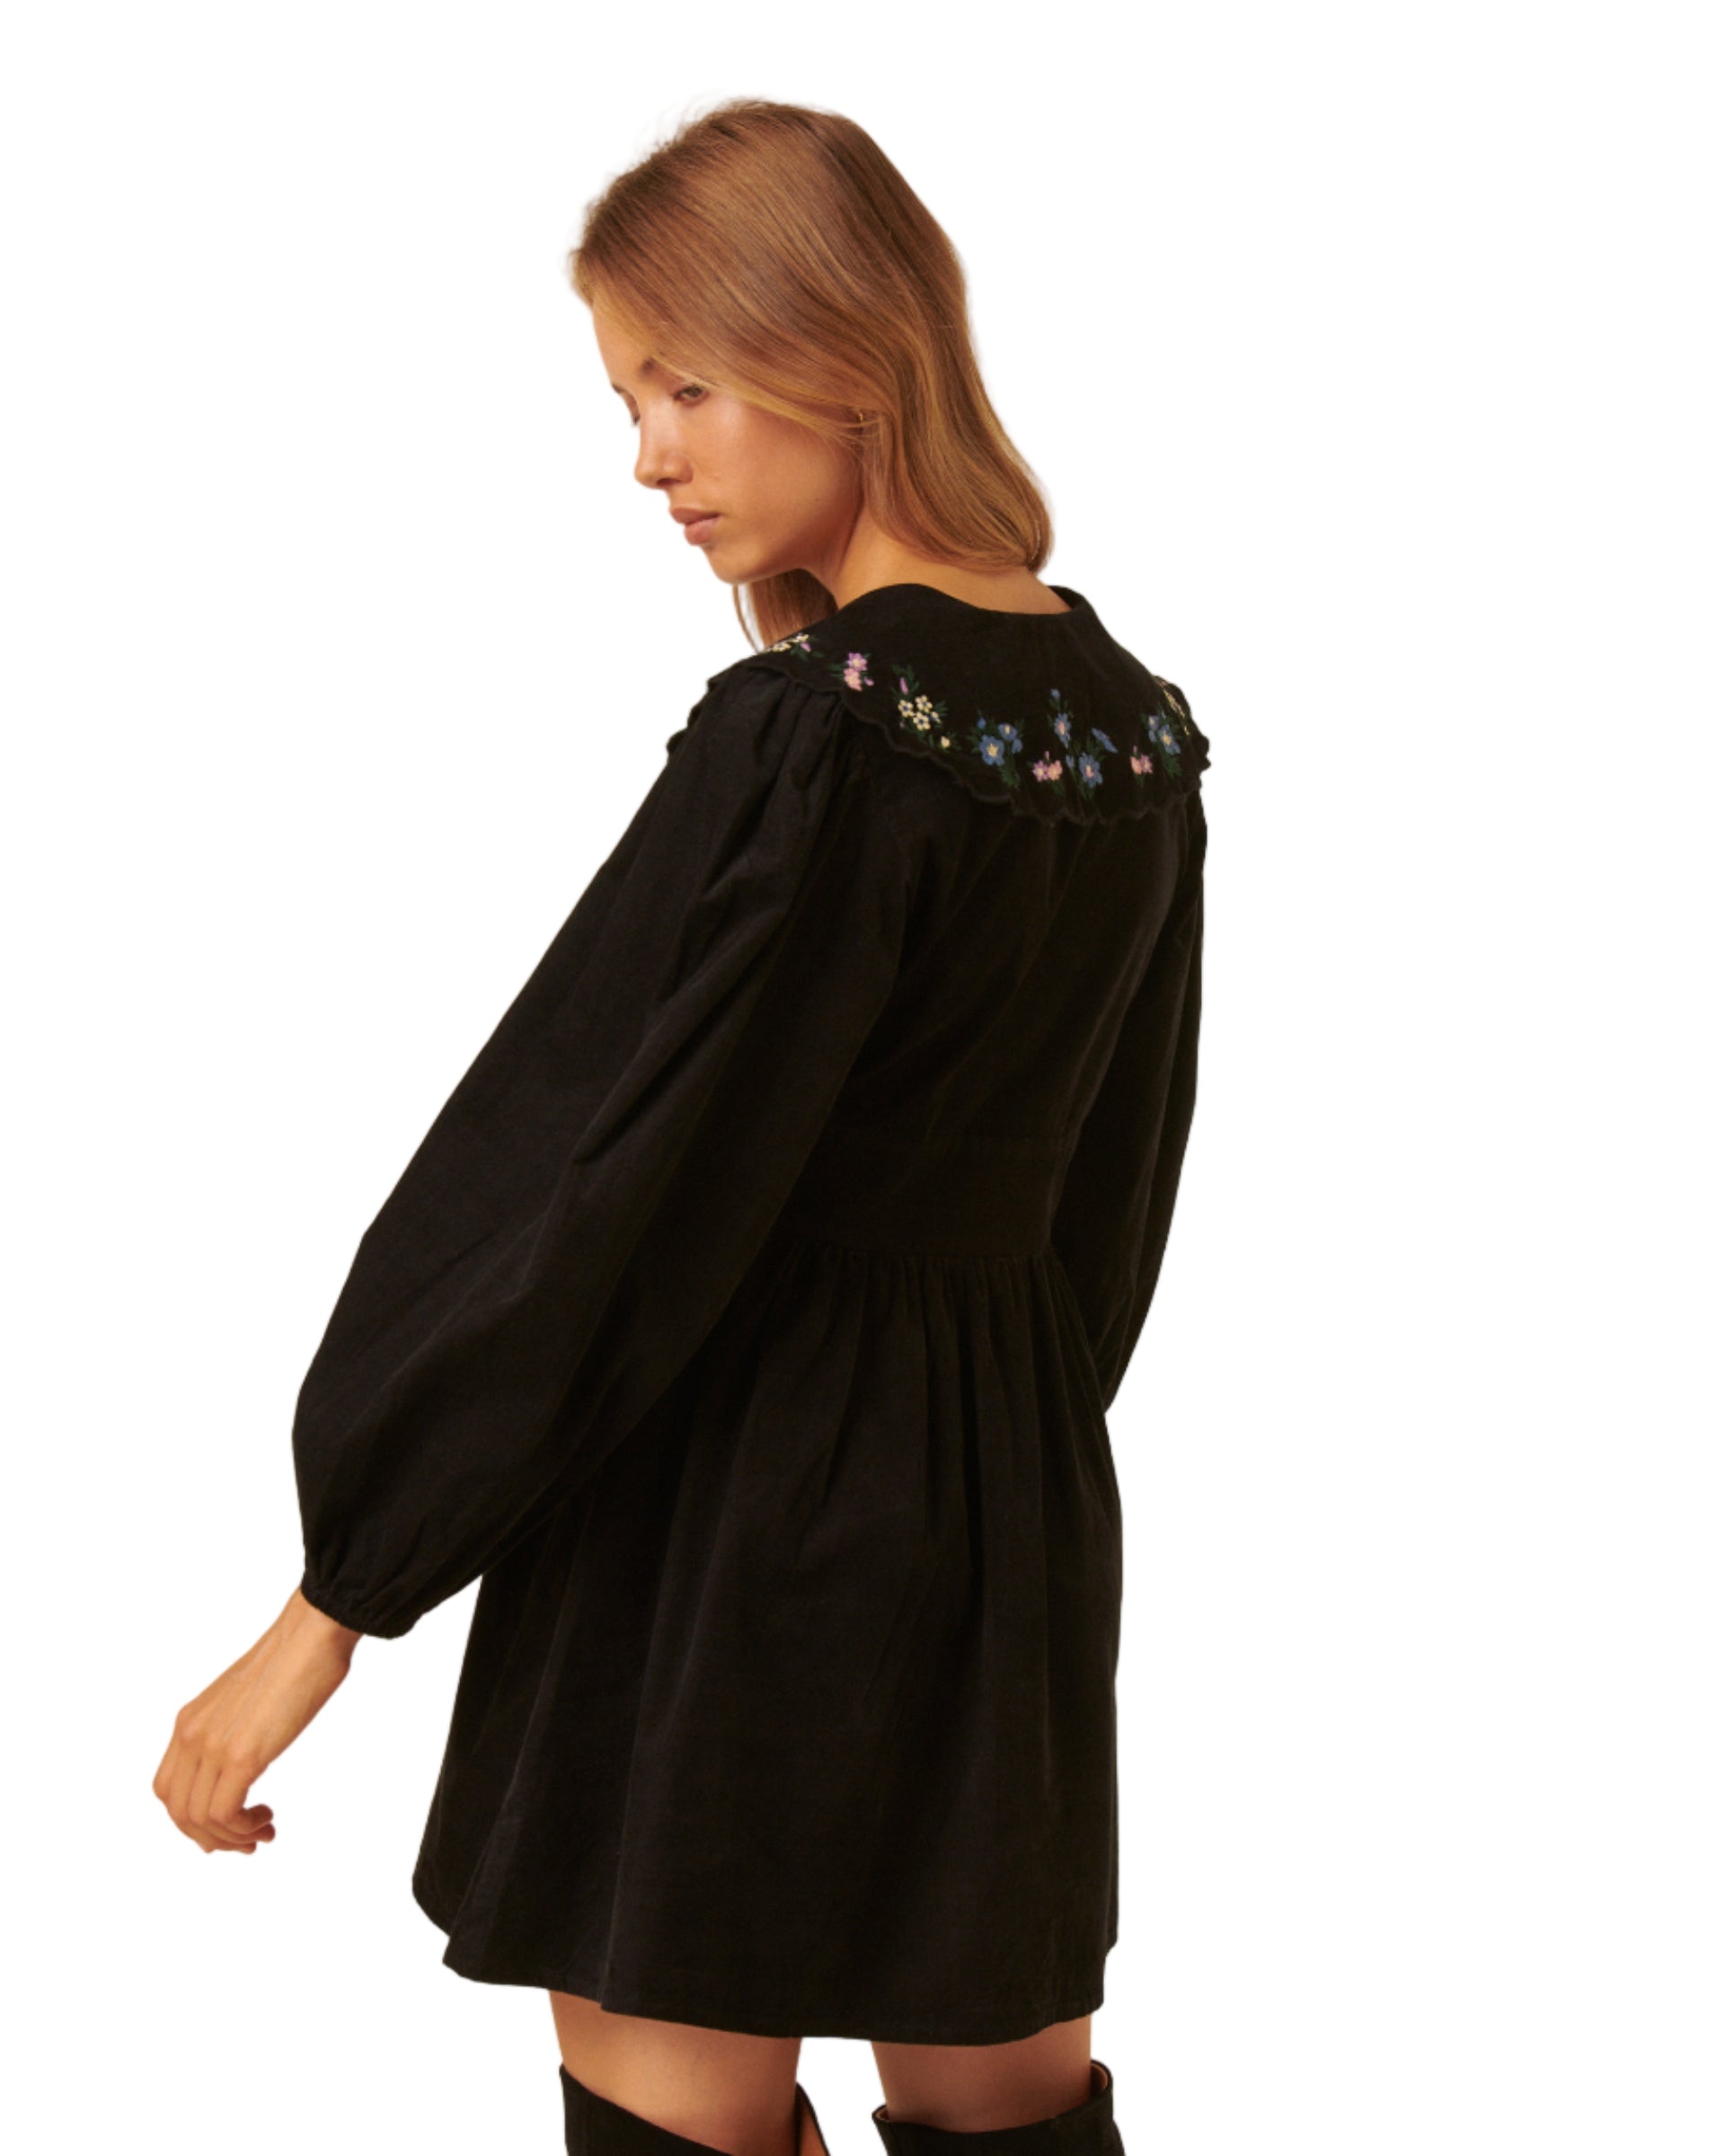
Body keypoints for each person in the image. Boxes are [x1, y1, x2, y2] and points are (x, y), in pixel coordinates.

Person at [153, 97, 1208, 2156]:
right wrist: (988, 1454)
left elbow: (598, 1175)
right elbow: (1115, 1192)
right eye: (634, 402)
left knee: (681, 2119)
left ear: (846, 345)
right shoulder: (1132, 733)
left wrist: (338, 1595)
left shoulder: (814, 737)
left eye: (685, 386)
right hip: (1002, 1505)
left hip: (724, 1509)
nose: (650, 456)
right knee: (1011, 2105)